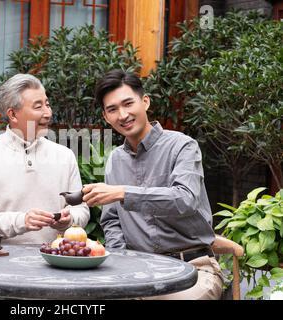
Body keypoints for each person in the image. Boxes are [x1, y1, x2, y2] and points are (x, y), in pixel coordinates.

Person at [82, 69, 224, 300]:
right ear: (106, 117)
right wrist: (121, 264)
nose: (123, 114)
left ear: (145, 101)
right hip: (138, 272)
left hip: (193, 269)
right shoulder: (115, 160)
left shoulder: (183, 146)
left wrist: (123, 192)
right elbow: (112, 221)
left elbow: (185, 200)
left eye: (128, 103)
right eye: (113, 109)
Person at [0, 74, 90, 244]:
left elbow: (80, 209)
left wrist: (68, 220)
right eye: (38, 106)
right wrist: (22, 221)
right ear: (13, 114)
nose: (48, 113)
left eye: (47, 104)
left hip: (55, 260)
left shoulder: (64, 155)